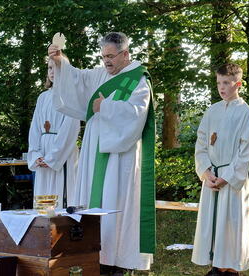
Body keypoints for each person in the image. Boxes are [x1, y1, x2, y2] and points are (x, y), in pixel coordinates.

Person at [48, 32, 155, 275]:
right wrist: (60, 60)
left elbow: (136, 115)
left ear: (125, 54)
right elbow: (77, 79)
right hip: (94, 150)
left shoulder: (137, 80)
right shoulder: (100, 74)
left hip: (120, 159)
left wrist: (104, 107)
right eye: (103, 56)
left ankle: (116, 262)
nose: (106, 61)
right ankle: (94, 256)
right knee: (93, 201)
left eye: (111, 56)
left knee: (115, 205)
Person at [191, 63, 249, 276]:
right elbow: (201, 143)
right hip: (212, 176)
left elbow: (245, 150)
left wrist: (226, 177)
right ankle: (216, 266)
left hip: (230, 178)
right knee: (212, 222)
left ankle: (229, 269)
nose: (222, 87)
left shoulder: (245, 113)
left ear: (237, 84)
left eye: (226, 83)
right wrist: (206, 172)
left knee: (230, 223)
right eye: (219, 83)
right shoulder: (212, 110)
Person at [27, 58, 80, 209]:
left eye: (56, 68)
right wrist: (36, 155)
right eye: (49, 68)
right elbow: (35, 128)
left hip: (62, 154)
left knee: (60, 199)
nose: (52, 72)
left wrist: (52, 158)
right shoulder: (43, 97)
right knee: (43, 201)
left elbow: (69, 130)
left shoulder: (70, 97)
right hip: (43, 153)